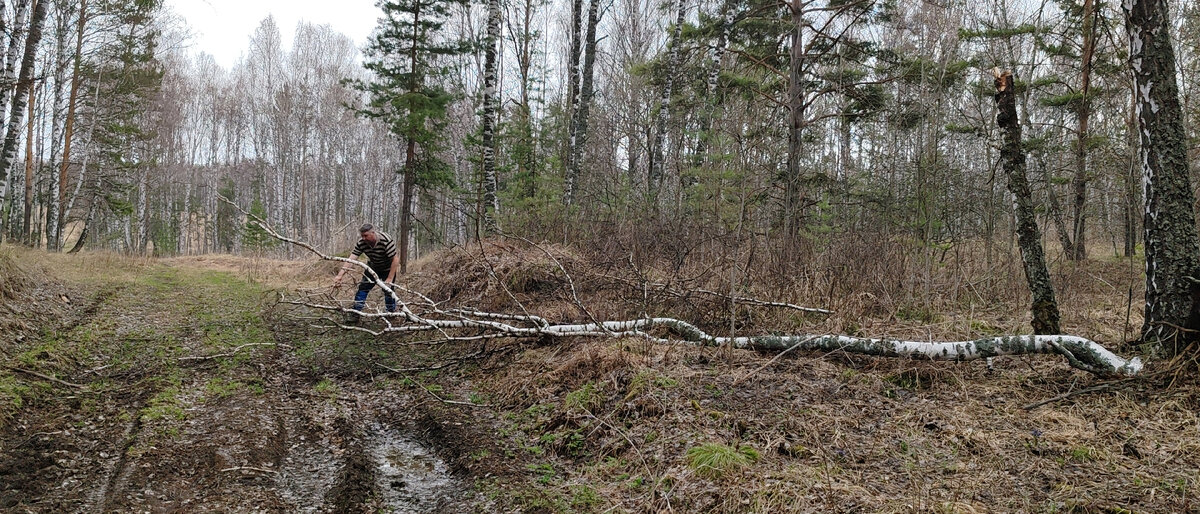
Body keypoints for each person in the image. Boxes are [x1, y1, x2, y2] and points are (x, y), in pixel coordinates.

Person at [333, 224, 399, 321]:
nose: (364, 238)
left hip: (387, 269)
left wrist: (389, 278)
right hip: (372, 268)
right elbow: (352, 259)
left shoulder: (385, 240)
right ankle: (356, 313)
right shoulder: (361, 243)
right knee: (363, 289)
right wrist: (340, 275)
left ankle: (391, 313)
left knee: (388, 292)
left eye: (366, 236)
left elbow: (395, 259)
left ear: (373, 233)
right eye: (362, 236)